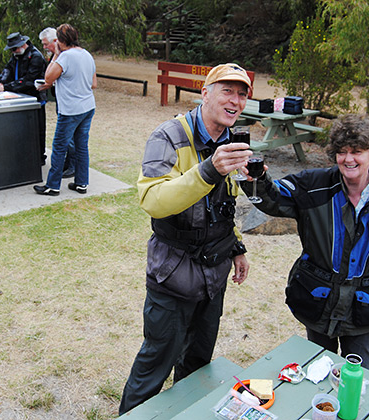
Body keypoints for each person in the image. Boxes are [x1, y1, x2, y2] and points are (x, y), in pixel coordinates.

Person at [118, 63, 253, 415]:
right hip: (173, 274)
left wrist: (237, 246)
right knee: (154, 365)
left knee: (197, 363)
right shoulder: (168, 137)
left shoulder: (230, 139)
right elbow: (153, 201)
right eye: (227, 91)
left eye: (242, 94)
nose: (235, 101)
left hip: (214, 274)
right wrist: (209, 169)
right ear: (204, 93)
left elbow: (226, 203)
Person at [242, 114, 369, 370]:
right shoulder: (313, 186)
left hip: (365, 308)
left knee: (355, 377)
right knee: (316, 371)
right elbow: (274, 199)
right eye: (342, 151)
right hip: (318, 300)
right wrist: (256, 180)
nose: (348, 159)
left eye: (357, 151)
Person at [33, 23, 96, 196]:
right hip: (88, 106)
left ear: (60, 41)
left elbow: (48, 77)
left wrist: (56, 55)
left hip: (70, 110)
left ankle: (52, 186)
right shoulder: (87, 54)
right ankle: (82, 183)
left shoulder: (65, 57)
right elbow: (94, 84)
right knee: (82, 146)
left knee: (59, 147)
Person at [0, 32, 47, 165]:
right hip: (19, 98)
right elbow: (8, 69)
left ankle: (39, 156)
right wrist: (0, 81)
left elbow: (29, 80)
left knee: (37, 130)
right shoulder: (17, 56)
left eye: (15, 48)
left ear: (23, 44)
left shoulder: (35, 57)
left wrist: (6, 87)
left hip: (34, 99)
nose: (14, 52)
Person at [38, 26, 75, 178]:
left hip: (70, 102)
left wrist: (50, 81)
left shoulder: (65, 56)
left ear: (56, 41)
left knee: (69, 136)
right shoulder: (59, 56)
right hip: (62, 99)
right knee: (67, 136)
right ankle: (68, 162)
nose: (45, 47)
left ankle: (73, 165)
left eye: (46, 44)